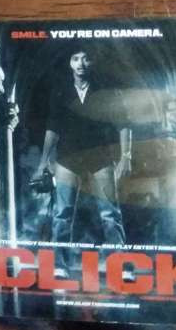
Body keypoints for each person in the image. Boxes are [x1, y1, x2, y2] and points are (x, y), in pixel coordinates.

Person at [34, 45, 133, 282]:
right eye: (75, 58)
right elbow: (52, 128)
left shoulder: (105, 90)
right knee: (62, 214)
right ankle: (60, 265)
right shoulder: (60, 90)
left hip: (100, 158)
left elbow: (124, 124)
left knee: (110, 214)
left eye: (86, 58)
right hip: (67, 158)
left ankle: (121, 266)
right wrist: (42, 162)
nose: (80, 63)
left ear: (92, 63)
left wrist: (126, 156)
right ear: (70, 63)